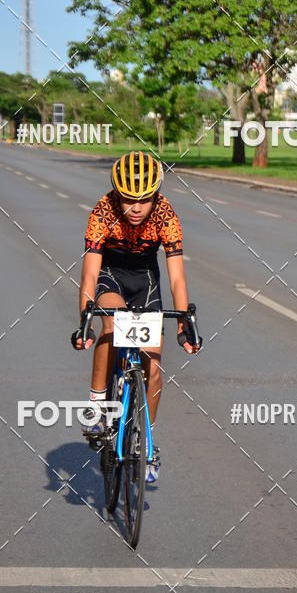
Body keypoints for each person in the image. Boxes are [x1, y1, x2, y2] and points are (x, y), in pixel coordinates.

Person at [72, 151, 201, 482]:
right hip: (111, 276)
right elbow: (90, 275)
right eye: (128, 199)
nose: (136, 208)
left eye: (144, 200)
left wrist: (184, 324)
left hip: (145, 281)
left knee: (153, 369)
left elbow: (176, 278)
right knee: (112, 320)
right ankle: (97, 405)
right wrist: (85, 320)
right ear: (117, 194)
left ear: (155, 195)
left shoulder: (166, 215)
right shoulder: (103, 211)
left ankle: (146, 440)